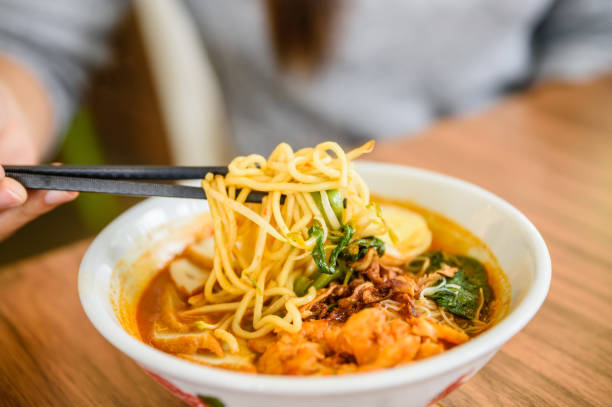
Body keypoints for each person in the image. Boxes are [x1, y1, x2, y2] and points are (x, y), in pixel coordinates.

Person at [0, 0, 611, 242]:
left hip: (531, 195)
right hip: (267, 212)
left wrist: (525, 182)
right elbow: (33, 37)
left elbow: (593, 33)